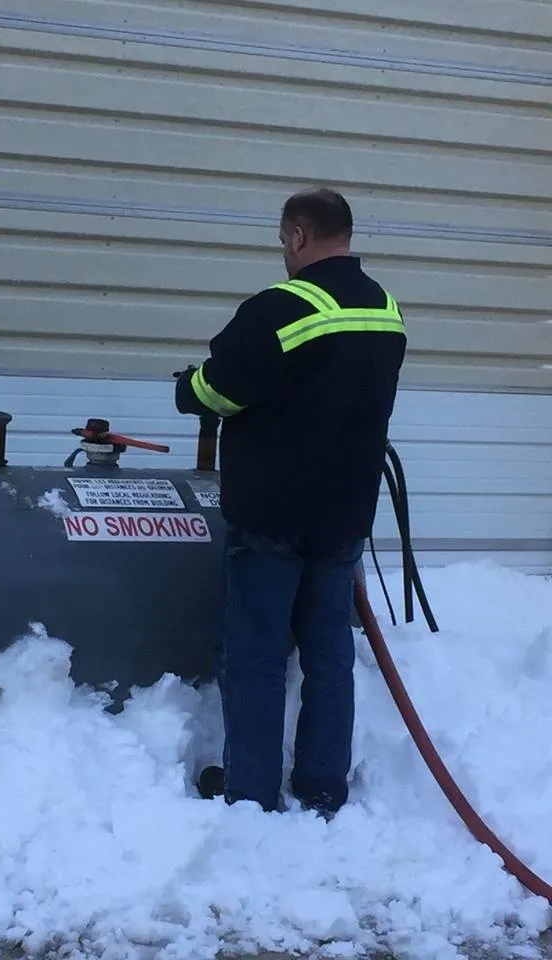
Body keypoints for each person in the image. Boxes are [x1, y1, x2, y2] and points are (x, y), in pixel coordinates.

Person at [175, 188, 406, 818]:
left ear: (300, 236)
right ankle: (323, 786)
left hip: (273, 514)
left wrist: (187, 389)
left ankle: (250, 790)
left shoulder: (282, 307)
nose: (283, 252)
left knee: (255, 652)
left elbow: (217, 389)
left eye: (283, 240)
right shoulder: (386, 310)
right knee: (329, 654)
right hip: (343, 516)